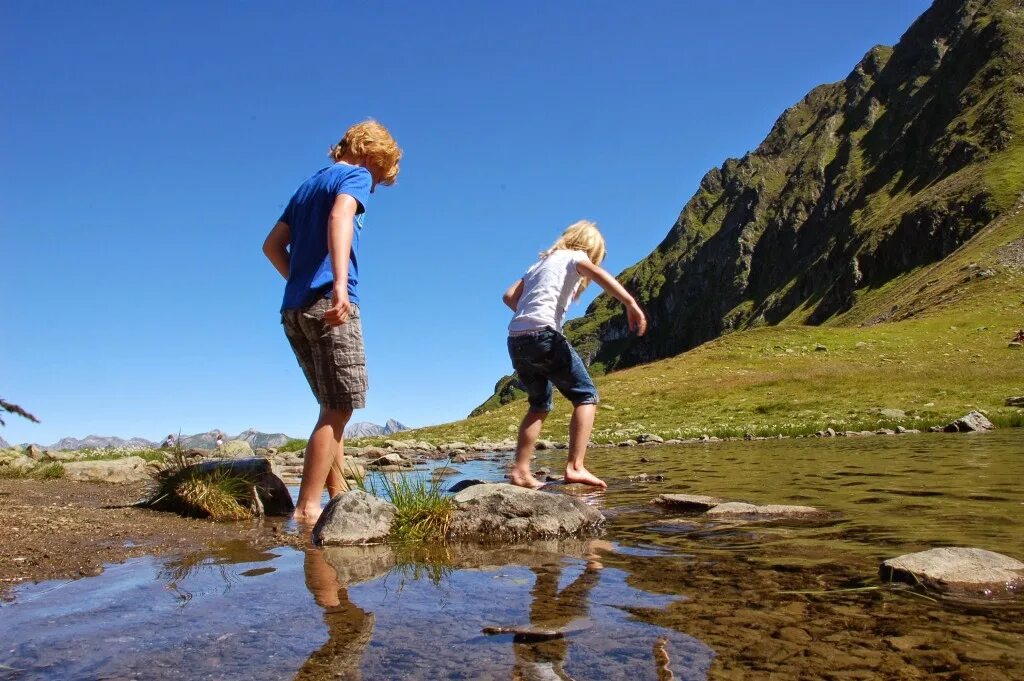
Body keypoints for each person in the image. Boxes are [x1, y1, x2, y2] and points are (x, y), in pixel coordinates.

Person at [263, 119, 402, 522]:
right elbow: (341, 217)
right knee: (341, 407)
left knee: (330, 405)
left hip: (295, 308)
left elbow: (271, 246)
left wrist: (301, 281)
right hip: (330, 303)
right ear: (370, 154)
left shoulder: (306, 186)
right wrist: (338, 284)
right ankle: (308, 508)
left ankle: (337, 490)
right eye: (378, 176)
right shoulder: (354, 175)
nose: (373, 187)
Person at [502, 220, 647, 490]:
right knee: (586, 395)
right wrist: (630, 302)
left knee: (539, 404)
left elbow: (509, 296)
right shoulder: (576, 256)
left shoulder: (539, 264)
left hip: (515, 338)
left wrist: (528, 315)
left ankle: (520, 471)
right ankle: (575, 467)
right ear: (591, 250)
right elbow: (599, 274)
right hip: (544, 335)